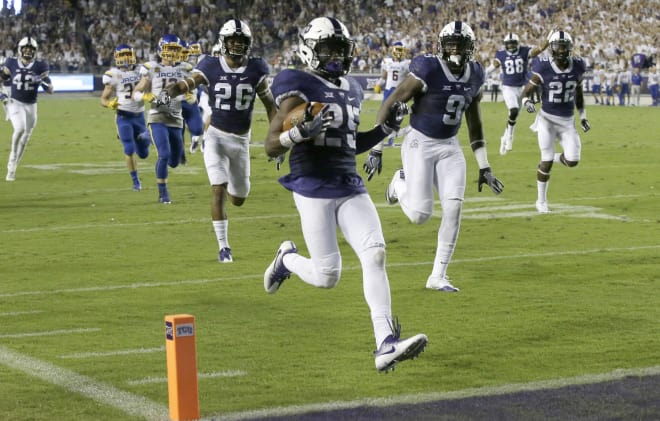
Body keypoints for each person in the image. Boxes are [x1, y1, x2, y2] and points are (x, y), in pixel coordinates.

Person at [262, 16, 427, 372]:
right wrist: (298, 133)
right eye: (329, 50)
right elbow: (271, 146)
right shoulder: (295, 82)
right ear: (310, 49)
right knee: (327, 276)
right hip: (312, 185)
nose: (336, 57)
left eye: (341, 50)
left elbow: (350, 144)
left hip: (348, 183)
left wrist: (384, 129)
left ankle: (385, 343)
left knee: (376, 254)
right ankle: (286, 259)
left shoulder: (352, 87)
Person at [365, 20, 504, 292]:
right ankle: (398, 184)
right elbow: (393, 103)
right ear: (440, 47)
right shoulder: (427, 68)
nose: (455, 51)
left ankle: (437, 275)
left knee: (454, 208)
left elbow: (475, 123)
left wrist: (484, 166)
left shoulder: (475, 74)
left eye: (460, 45)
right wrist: (376, 147)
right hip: (420, 142)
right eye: (450, 45)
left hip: (450, 146)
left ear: (470, 48)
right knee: (420, 215)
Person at [163, 19, 276, 263]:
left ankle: (229, 193)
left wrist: (277, 137)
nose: (236, 46)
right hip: (215, 137)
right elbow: (189, 83)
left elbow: (270, 107)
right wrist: (171, 91)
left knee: (239, 198)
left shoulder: (257, 69)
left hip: (241, 142)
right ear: (223, 43)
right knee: (217, 190)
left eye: (241, 42)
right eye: (232, 41)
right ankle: (224, 247)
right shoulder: (211, 65)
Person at [520, 30, 590, 214]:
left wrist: (583, 116)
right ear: (551, 48)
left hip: (568, 121)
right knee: (546, 159)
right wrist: (527, 102)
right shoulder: (543, 66)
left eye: (564, 46)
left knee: (573, 160)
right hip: (547, 120)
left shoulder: (578, 65)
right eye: (557, 46)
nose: (560, 50)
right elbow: (526, 91)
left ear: (569, 48)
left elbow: (579, 94)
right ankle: (541, 201)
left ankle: (552, 158)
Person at [132, 34, 185, 204]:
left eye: (174, 49)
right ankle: (163, 193)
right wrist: (145, 97)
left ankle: (146, 137)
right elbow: (135, 93)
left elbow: (192, 89)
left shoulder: (185, 68)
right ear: (161, 50)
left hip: (176, 118)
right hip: (157, 116)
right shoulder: (151, 68)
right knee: (164, 154)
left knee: (174, 162)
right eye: (168, 49)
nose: (171, 53)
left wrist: (192, 96)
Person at [485, 32, 550, 155]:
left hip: (522, 87)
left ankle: (504, 138)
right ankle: (510, 137)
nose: (510, 46)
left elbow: (539, 49)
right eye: (508, 44)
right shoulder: (501, 54)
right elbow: (491, 68)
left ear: (517, 43)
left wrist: (548, 39)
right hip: (508, 87)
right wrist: (481, 76)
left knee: (513, 116)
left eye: (512, 44)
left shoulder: (524, 51)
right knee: (513, 111)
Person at [100, 44, 151, 191]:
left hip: (139, 116)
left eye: (128, 54)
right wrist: (110, 104)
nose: (126, 58)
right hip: (123, 117)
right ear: (116, 58)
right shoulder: (113, 74)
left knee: (143, 153)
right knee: (128, 149)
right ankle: (136, 182)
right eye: (122, 55)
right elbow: (103, 99)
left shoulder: (142, 70)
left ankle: (145, 137)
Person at [1, 36, 53, 181]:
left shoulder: (40, 66)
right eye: (25, 49)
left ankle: (14, 167)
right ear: (20, 49)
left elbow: (51, 89)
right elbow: (1, 79)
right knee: (19, 129)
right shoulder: (11, 62)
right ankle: (11, 159)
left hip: (31, 105)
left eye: (31, 49)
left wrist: (41, 81)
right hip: (15, 101)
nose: (28, 52)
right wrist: (1, 95)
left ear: (35, 51)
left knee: (26, 137)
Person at [373, 41, 411, 148]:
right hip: (389, 91)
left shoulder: (407, 63)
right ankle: (379, 136)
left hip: (401, 92)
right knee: (385, 114)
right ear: (393, 50)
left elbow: (410, 77)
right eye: (398, 49)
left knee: (398, 115)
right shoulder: (387, 61)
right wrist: (378, 84)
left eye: (401, 50)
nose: (399, 52)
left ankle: (391, 137)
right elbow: (384, 76)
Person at [176, 39, 204, 157]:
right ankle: (180, 155)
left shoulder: (190, 65)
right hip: (175, 102)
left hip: (191, 99)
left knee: (198, 129)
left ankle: (196, 138)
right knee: (178, 131)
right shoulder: (169, 67)